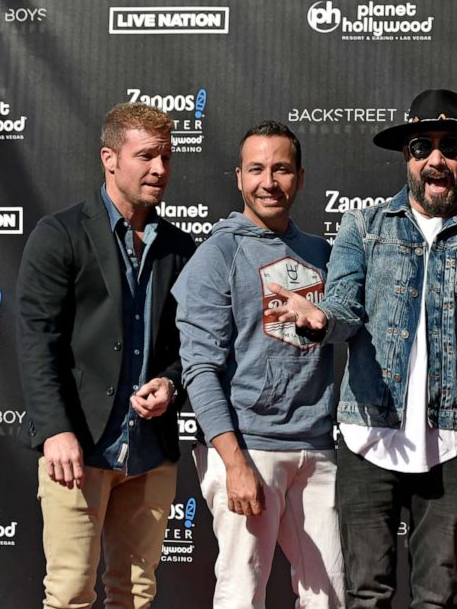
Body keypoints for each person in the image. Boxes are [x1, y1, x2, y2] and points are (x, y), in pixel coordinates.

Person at [265, 89, 457, 608]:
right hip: (369, 436)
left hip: (451, 442)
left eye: (449, 145)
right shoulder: (363, 228)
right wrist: (320, 318)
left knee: (437, 598)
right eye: (421, 146)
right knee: (368, 595)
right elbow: (344, 307)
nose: (436, 158)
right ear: (406, 156)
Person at [16, 102, 196, 608]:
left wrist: (171, 383)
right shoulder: (61, 235)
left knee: (135, 595)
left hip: (149, 452)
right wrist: (55, 429)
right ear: (109, 158)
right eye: (146, 156)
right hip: (79, 448)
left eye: (166, 156)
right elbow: (37, 339)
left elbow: (190, 345)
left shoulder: (180, 248)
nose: (160, 169)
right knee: (71, 591)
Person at [172, 121, 345, 608]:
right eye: (257, 169)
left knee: (331, 595)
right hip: (249, 449)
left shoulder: (321, 253)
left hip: (316, 449)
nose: (269, 181)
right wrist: (233, 461)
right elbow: (199, 368)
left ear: (301, 178)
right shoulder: (217, 254)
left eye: (281, 169)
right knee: (241, 594)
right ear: (239, 177)